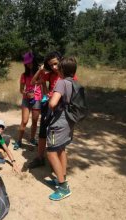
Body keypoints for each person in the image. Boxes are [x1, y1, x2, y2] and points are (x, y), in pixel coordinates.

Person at [45, 57, 78, 201]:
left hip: (58, 123)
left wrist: (51, 98)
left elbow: (52, 103)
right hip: (69, 121)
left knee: (51, 152)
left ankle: (64, 188)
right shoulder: (73, 82)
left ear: (62, 70)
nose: (56, 68)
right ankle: (61, 177)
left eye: (58, 67)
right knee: (61, 149)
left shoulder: (61, 83)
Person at [28, 51, 62, 168]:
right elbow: (33, 81)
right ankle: (40, 158)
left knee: (53, 135)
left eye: (56, 64)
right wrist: (41, 69)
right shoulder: (51, 74)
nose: (54, 67)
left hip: (59, 110)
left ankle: (54, 159)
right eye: (51, 65)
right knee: (42, 132)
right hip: (47, 108)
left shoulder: (67, 75)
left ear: (61, 61)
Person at [13, 52, 41, 150]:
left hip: (37, 99)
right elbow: (21, 90)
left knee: (34, 121)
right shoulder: (24, 75)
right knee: (24, 121)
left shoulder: (40, 73)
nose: (29, 65)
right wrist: (26, 93)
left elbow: (43, 84)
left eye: (30, 62)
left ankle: (32, 139)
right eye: (27, 63)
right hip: (26, 99)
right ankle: (19, 141)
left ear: (34, 61)